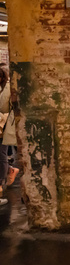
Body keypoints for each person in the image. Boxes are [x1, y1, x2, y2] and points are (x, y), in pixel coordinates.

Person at [0, 65, 18, 206]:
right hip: (3, 125)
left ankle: (0, 184)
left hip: (2, 126)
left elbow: (6, 108)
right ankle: (10, 171)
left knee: (2, 155)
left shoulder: (6, 88)